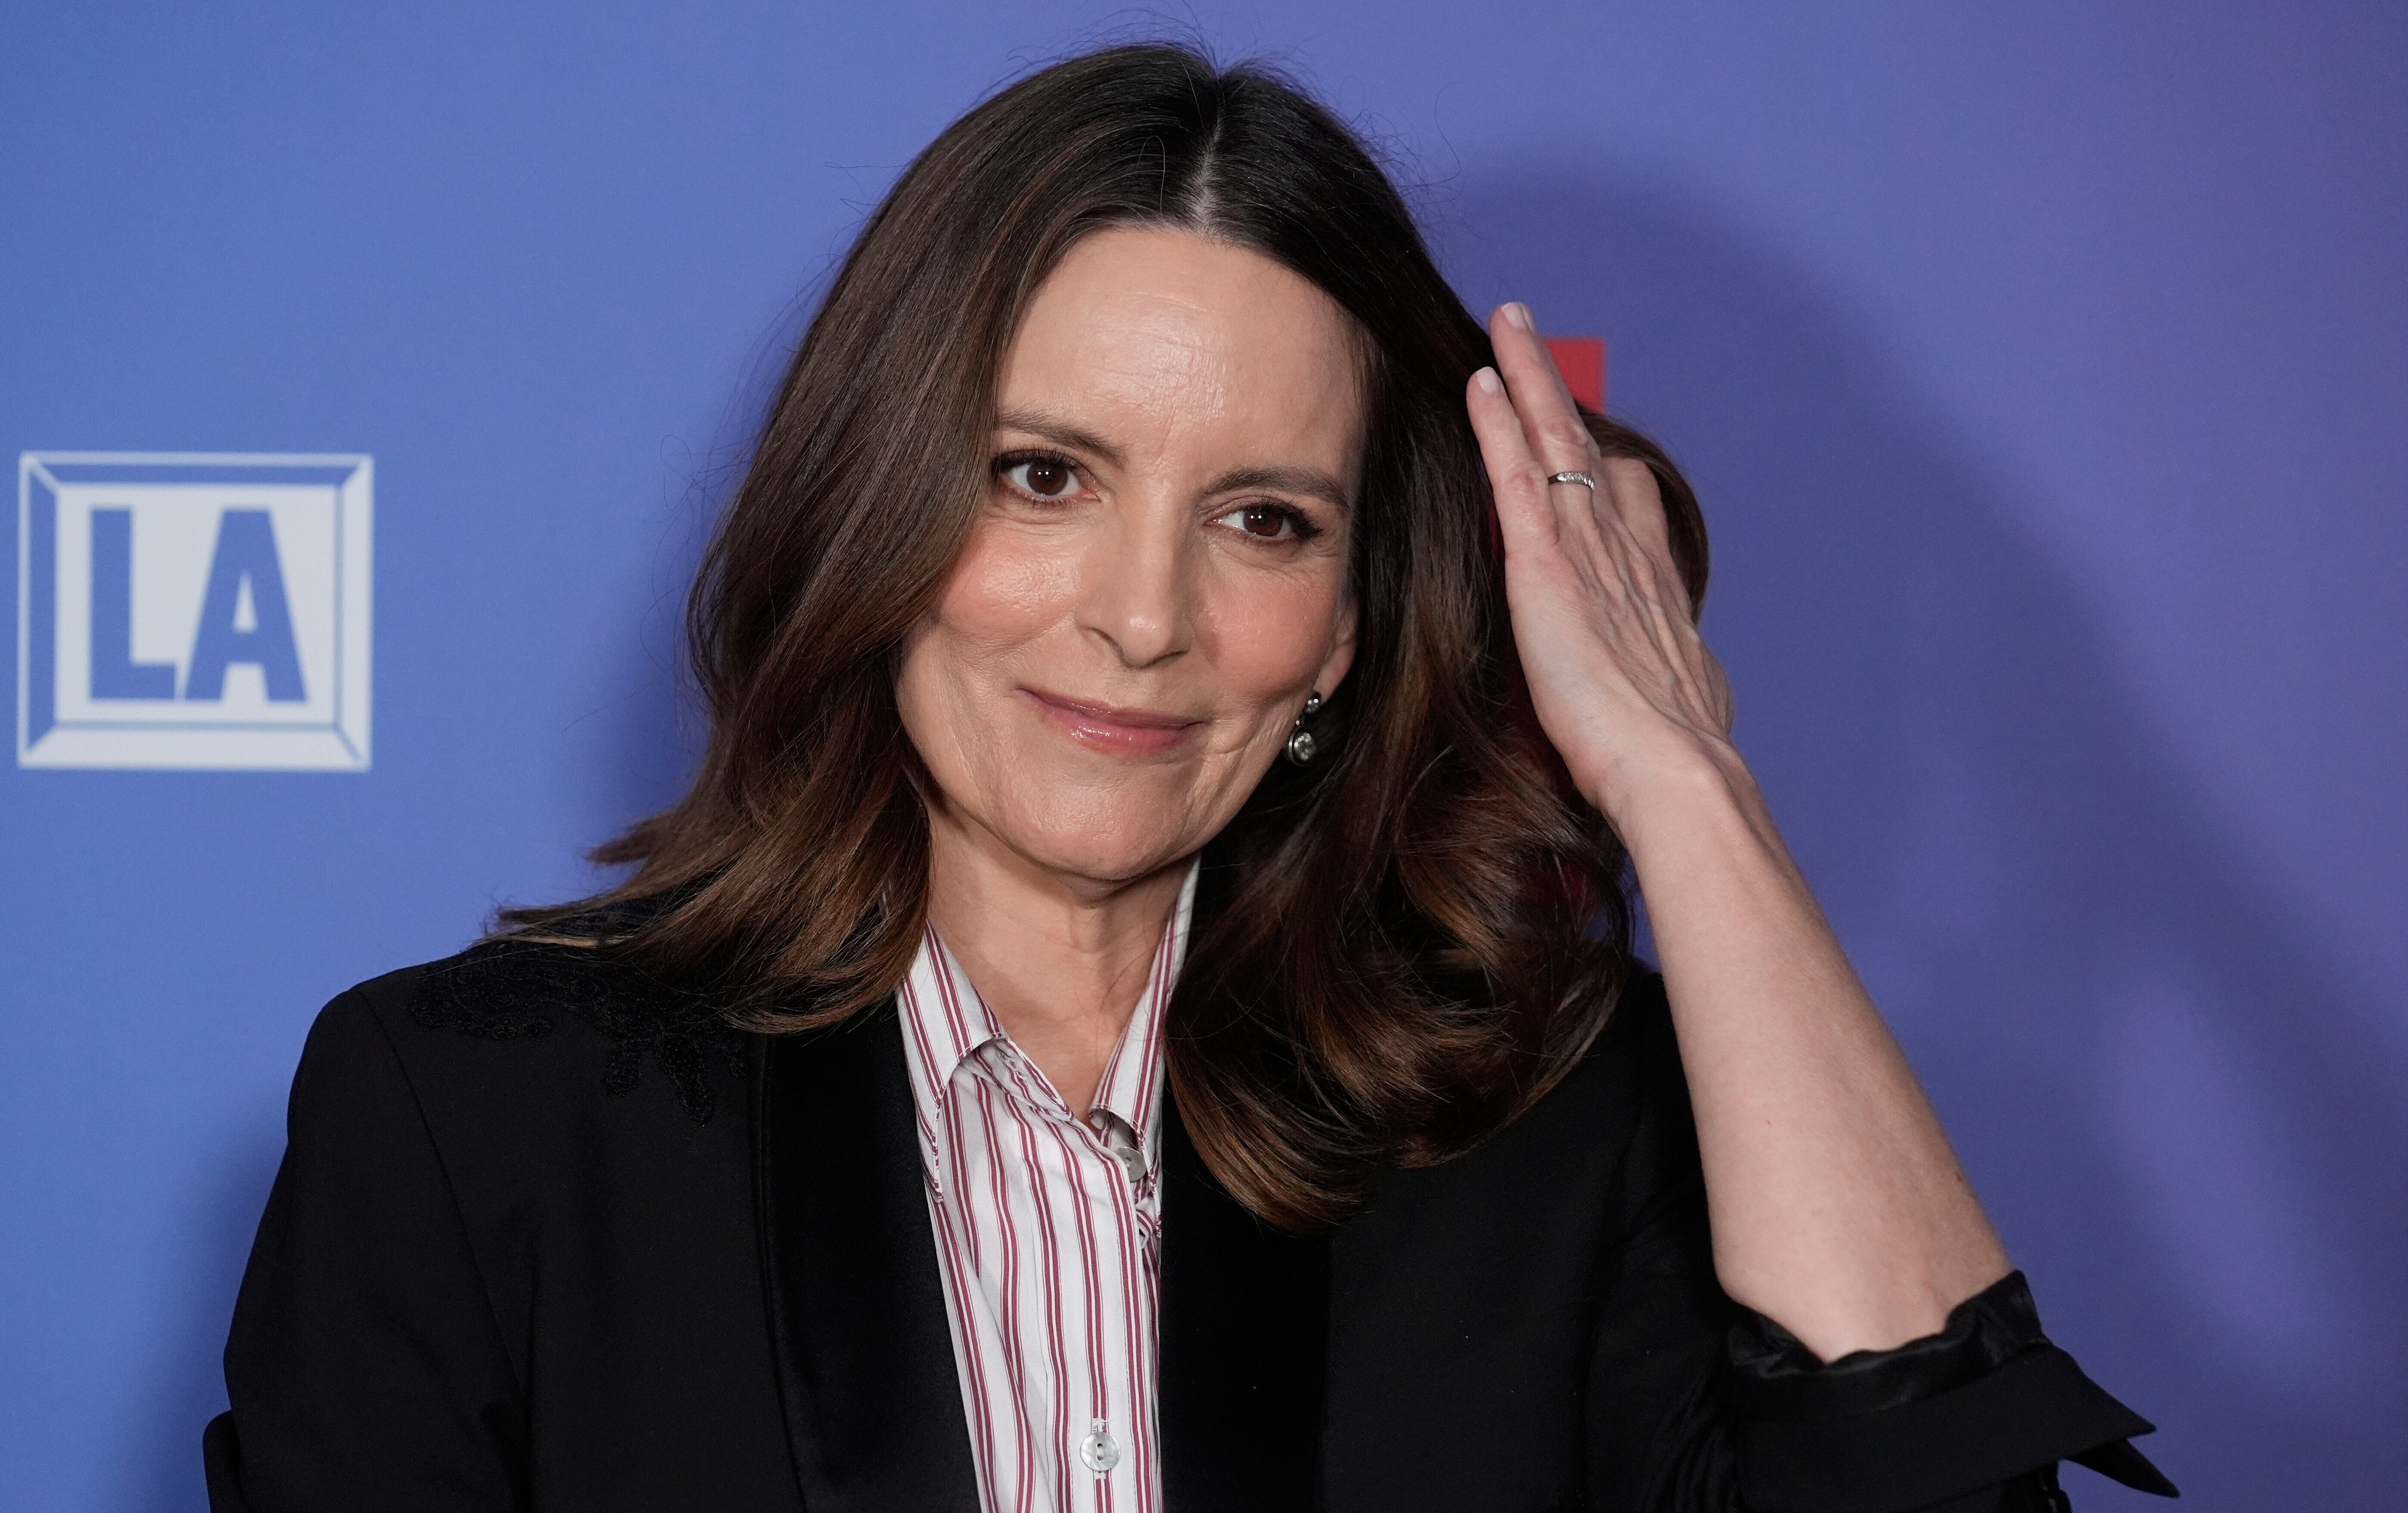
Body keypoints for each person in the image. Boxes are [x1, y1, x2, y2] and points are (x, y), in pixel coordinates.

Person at [204, 42, 2175, 1513]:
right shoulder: (476, 1125)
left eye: (1261, 518)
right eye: (1041, 475)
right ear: (874, 507)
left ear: (1343, 625)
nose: (1143, 618)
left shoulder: (1545, 1124)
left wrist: (1680, 778)